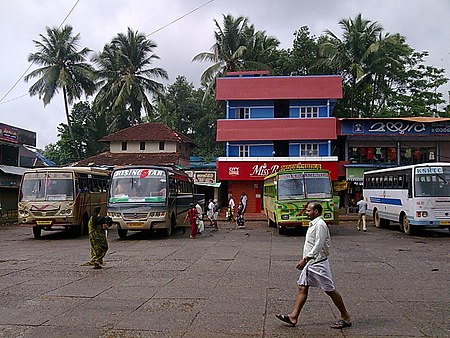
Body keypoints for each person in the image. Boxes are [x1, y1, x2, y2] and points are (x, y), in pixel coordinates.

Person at [275, 202, 351, 329]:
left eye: (309, 210)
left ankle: (346, 316)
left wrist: (305, 259)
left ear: (316, 212)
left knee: (329, 290)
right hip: (311, 264)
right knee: (302, 288)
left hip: (318, 264)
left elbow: (318, 245)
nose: (306, 212)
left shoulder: (320, 225)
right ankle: (293, 317)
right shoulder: (314, 224)